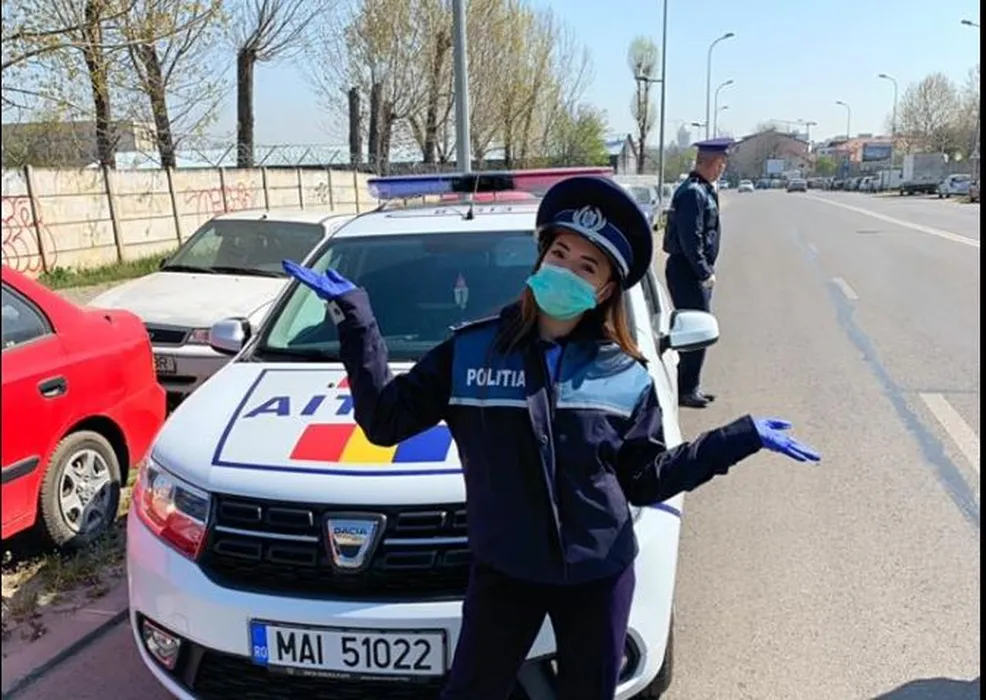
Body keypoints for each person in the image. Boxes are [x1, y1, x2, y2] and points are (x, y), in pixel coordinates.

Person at [282, 174, 820, 700]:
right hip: (504, 573)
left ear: (605, 289)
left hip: (598, 574)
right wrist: (357, 321)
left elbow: (645, 480)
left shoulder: (626, 373)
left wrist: (736, 439)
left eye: (587, 266)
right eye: (559, 253)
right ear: (540, 259)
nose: (566, 270)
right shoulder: (470, 352)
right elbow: (385, 422)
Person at [663, 137, 734, 409]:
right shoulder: (693, 192)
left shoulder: (701, 189)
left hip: (690, 270)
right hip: (687, 271)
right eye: (721, 164)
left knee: (697, 329)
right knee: (697, 331)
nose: (722, 169)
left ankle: (690, 385)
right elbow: (690, 238)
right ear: (710, 163)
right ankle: (686, 389)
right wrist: (704, 272)